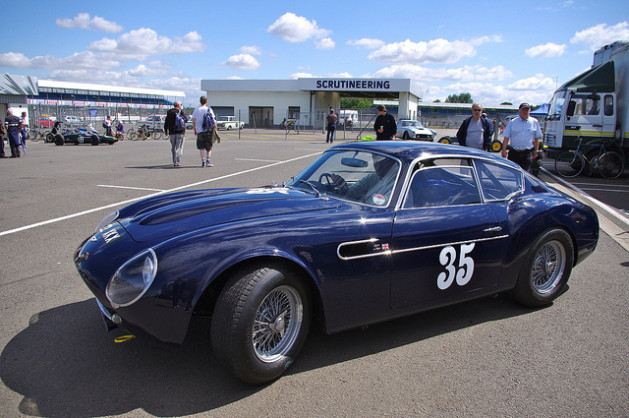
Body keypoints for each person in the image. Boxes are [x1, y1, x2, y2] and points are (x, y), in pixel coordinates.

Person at [331, 155, 398, 205]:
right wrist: (343, 186)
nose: (377, 167)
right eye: (375, 163)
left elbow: (384, 206)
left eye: (382, 163)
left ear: (390, 164)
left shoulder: (398, 182)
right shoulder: (372, 177)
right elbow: (352, 192)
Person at [501, 102, 542, 171]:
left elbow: (536, 138)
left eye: (527, 110)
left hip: (527, 153)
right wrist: (503, 150)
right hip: (514, 152)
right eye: (523, 110)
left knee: (525, 173)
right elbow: (506, 138)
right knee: (512, 173)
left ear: (530, 111)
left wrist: (536, 151)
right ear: (519, 111)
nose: (525, 112)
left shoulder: (534, 122)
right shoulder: (512, 122)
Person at [191, 96, 215, 167]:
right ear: (206, 102)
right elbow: (213, 120)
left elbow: (193, 120)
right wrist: (215, 128)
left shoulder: (196, 109)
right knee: (209, 146)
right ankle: (208, 159)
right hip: (208, 130)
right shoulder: (209, 109)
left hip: (200, 130)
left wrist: (195, 129)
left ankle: (203, 161)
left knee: (201, 147)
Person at [164, 101, 187, 167]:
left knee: (173, 147)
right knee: (179, 147)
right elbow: (186, 119)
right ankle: (177, 161)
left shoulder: (169, 112)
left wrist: (166, 130)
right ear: (178, 105)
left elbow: (166, 122)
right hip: (180, 132)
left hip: (171, 132)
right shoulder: (180, 111)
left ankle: (174, 160)